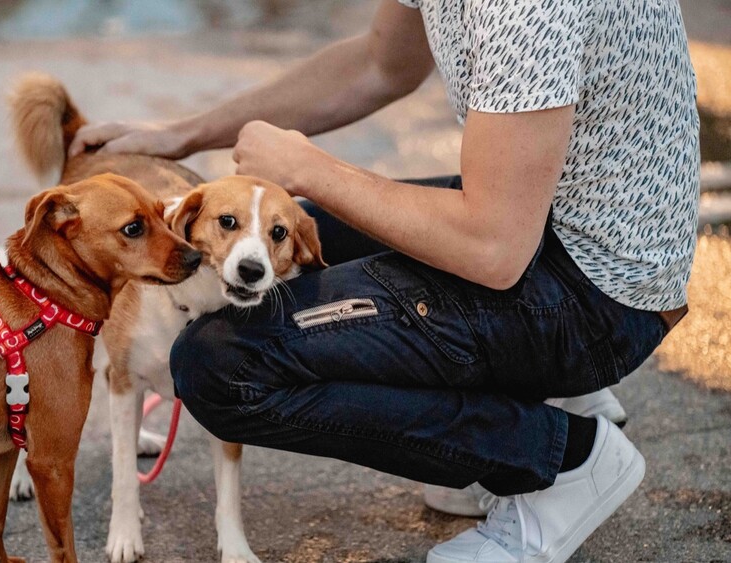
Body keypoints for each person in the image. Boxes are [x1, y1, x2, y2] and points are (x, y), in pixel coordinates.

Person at [69, 1, 699, 561]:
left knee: (219, 365)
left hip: (592, 293)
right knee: (288, 235)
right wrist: (179, 136)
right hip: (546, 223)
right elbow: (378, 63)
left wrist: (308, 168)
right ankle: (522, 396)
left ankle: (559, 458)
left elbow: (494, 249)